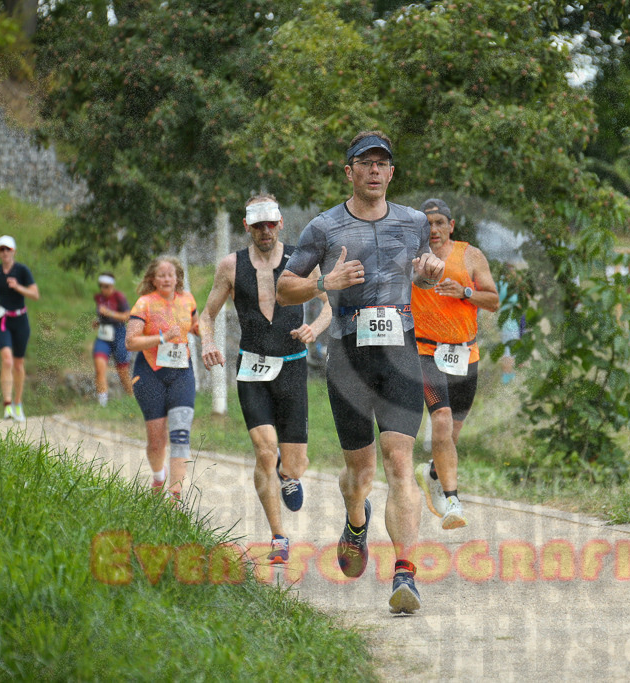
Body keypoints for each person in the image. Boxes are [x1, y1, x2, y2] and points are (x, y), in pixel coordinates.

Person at [277, 130, 445, 614]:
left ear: (392, 173)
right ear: (348, 171)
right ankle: (356, 521)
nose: (374, 170)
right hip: (348, 355)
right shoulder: (323, 228)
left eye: (382, 163)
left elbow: (416, 269)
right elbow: (285, 288)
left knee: (398, 461)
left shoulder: (414, 222)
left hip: (400, 351)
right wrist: (323, 283)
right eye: (364, 163)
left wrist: (428, 272)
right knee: (361, 471)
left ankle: (405, 574)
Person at [199, 194, 331, 565]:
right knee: (264, 449)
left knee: (293, 462)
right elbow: (206, 315)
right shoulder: (230, 266)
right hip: (251, 367)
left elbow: (331, 303)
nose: (265, 231)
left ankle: (289, 475)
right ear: (247, 227)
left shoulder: (301, 261)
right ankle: (278, 536)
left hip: (292, 365)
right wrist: (207, 342)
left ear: (280, 223)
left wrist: (314, 328)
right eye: (258, 226)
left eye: (270, 224)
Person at [410, 198, 499, 531]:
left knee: (452, 433)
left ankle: (432, 471)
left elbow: (492, 300)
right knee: (442, 422)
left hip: (465, 355)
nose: (433, 229)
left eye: (438, 223)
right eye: (427, 224)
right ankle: (452, 499)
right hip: (426, 351)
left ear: (451, 225)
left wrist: (464, 291)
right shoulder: (413, 257)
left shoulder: (470, 255)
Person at [125, 257, 199, 504]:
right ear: (152, 280)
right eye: (161, 275)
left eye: (171, 274)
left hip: (181, 373)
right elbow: (131, 342)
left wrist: (207, 335)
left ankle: (175, 497)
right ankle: (158, 477)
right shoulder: (144, 304)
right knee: (157, 441)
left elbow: (199, 325)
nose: (167, 279)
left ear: (178, 277)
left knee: (180, 434)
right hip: (150, 374)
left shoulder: (188, 300)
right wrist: (162, 338)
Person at [0, 235, 39, 422]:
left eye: (8, 249)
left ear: (13, 251)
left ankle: (18, 403)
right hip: (2, 320)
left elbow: (35, 294)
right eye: (1, 249)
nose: (5, 252)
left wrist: (18, 287)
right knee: (6, 360)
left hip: (20, 320)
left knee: (17, 364)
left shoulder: (22, 270)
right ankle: (7, 405)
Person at [92, 273, 134, 406]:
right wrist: (99, 321)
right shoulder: (98, 298)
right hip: (104, 334)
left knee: (122, 371)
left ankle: (133, 399)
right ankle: (102, 404)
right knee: (99, 367)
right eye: (101, 286)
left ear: (111, 286)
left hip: (119, 333)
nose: (104, 289)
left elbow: (127, 316)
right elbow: (103, 315)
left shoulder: (119, 297)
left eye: (106, 286)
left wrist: (109, 313)